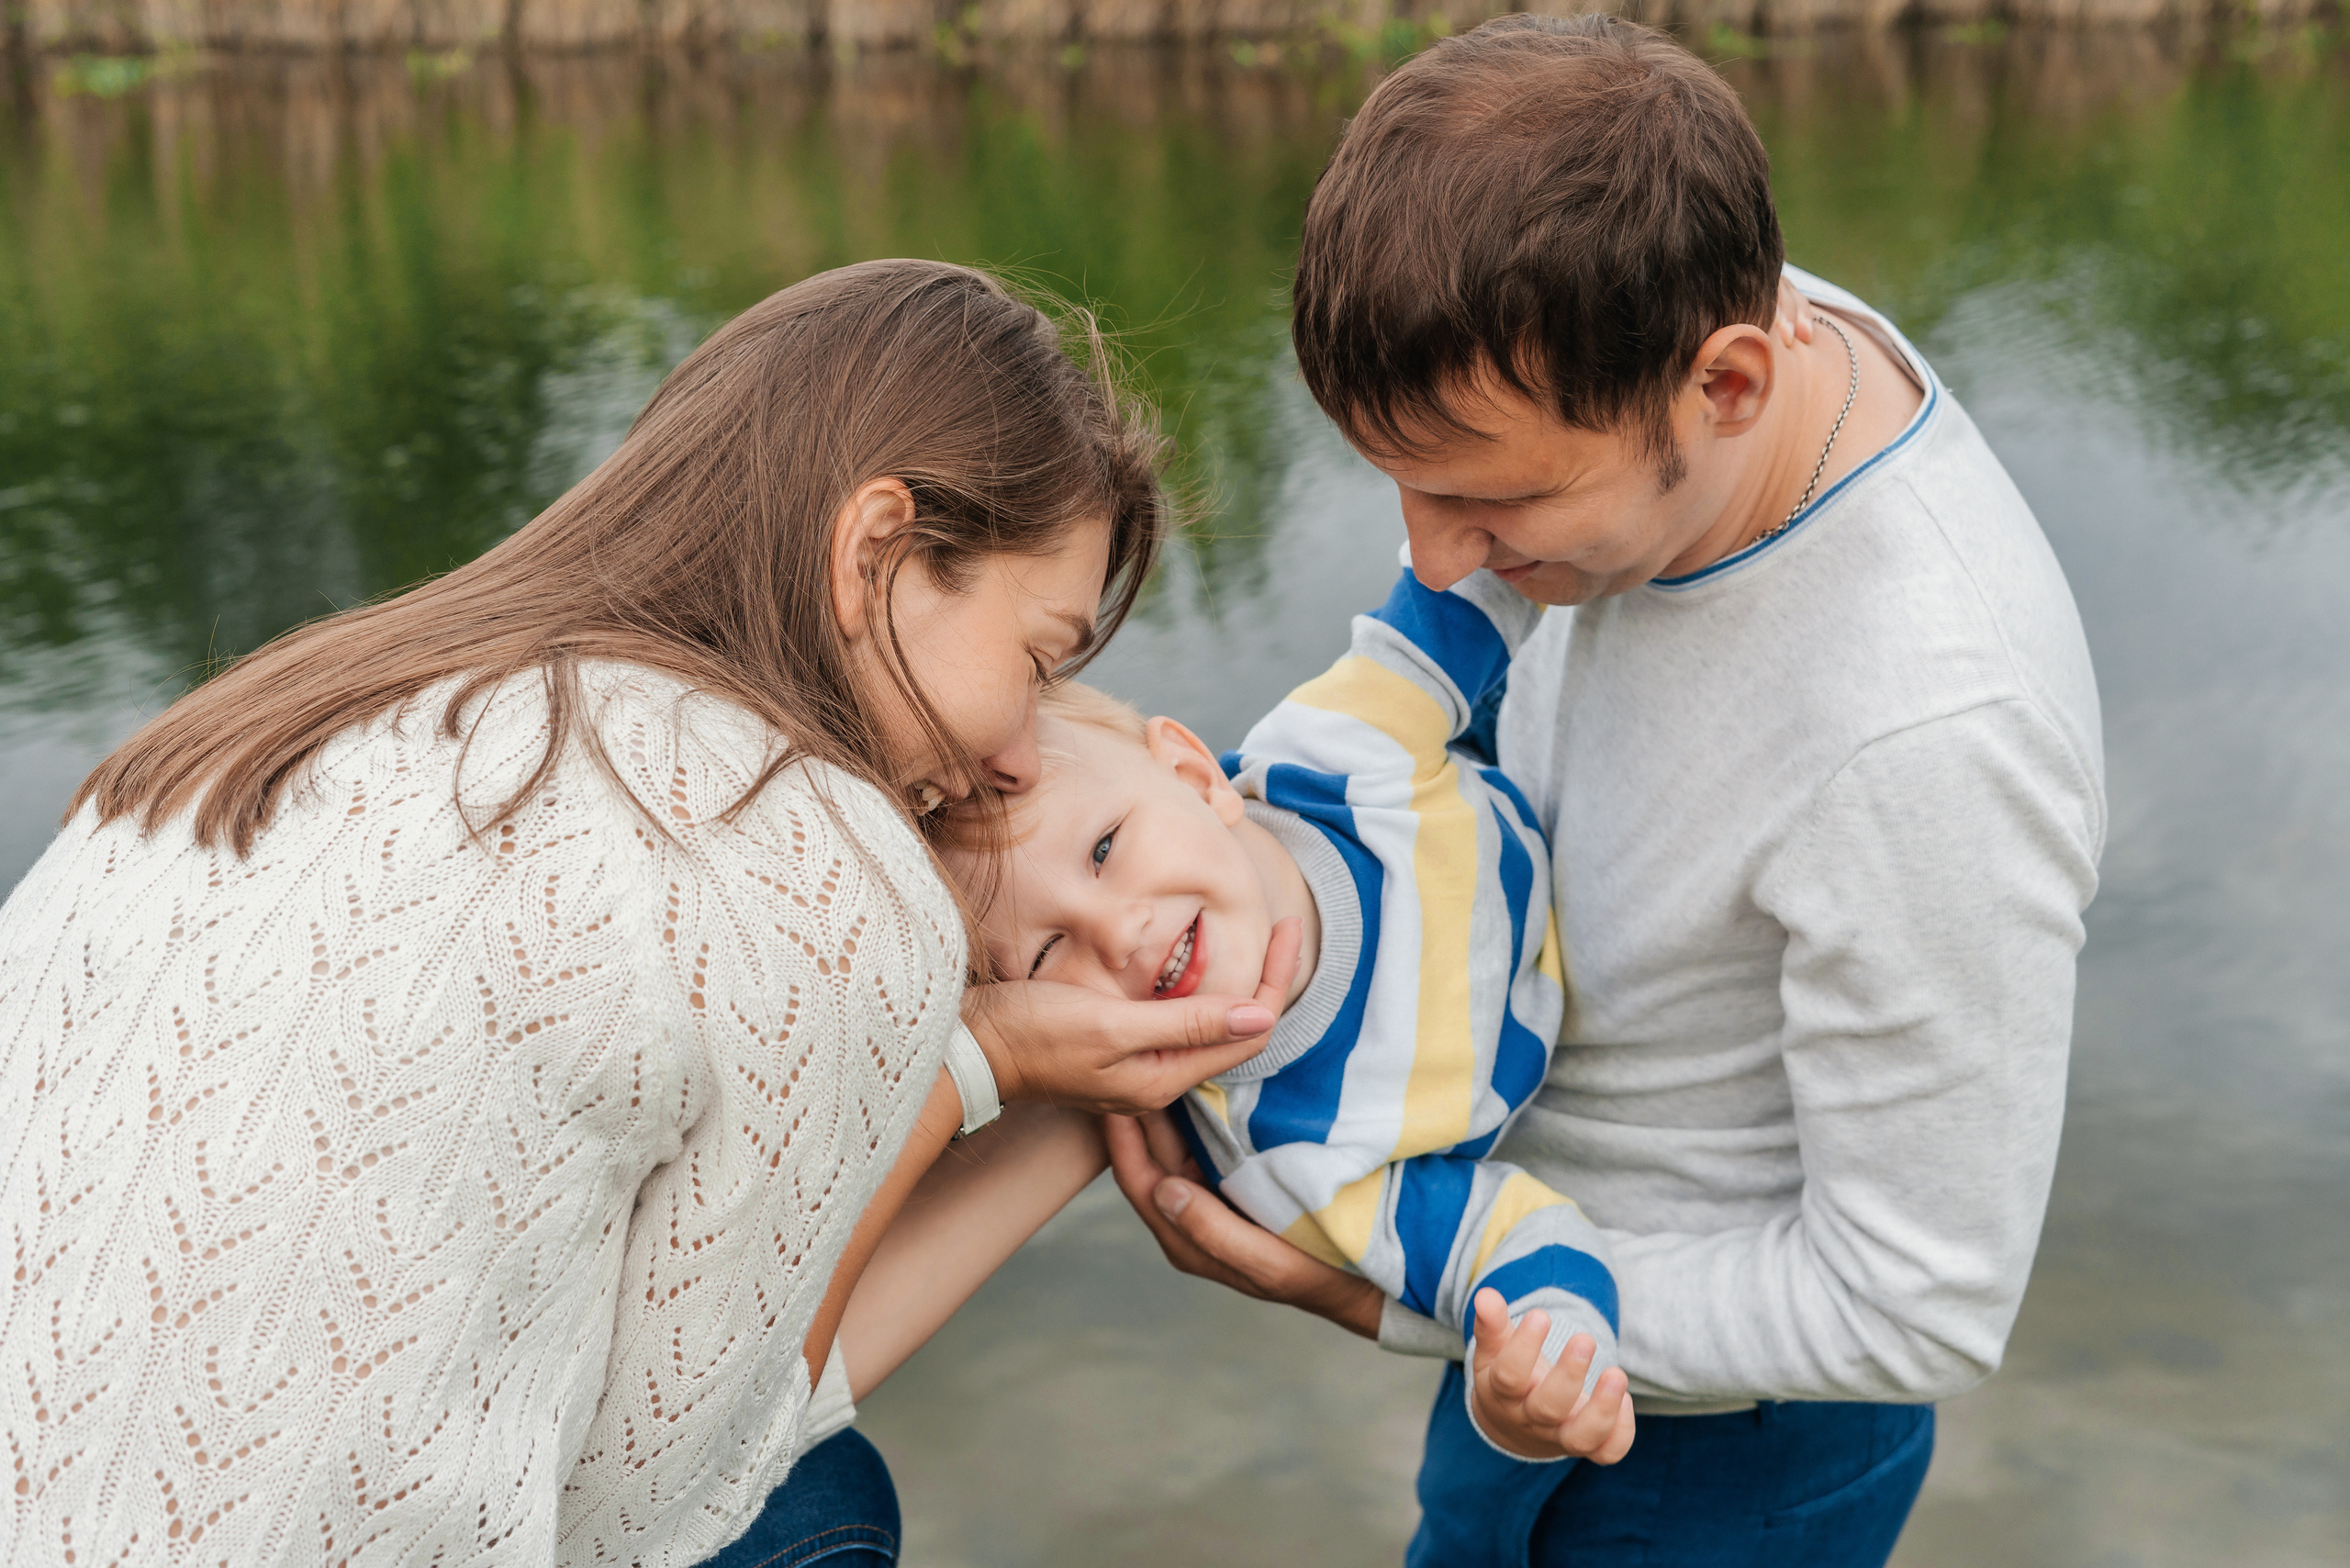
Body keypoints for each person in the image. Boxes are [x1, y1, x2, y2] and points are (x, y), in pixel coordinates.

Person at [0, 259, 1288, 1568]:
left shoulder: (310, 709)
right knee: (820, 1497)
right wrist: (986, 1061)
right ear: (877, 553)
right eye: (1038, 656)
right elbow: (655, 1516)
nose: (1014, 754)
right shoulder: (807, 853)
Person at [1108, 16, 2105, 1567]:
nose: (1429, 553)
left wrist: (1392, 1299)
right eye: (1398, 479)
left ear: (1728, 384)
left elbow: (1917, 1308)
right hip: (1522, 1334)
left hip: (1718, 1458)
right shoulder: (1655, 321)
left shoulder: (1926, 740)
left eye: (1490, 498)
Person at [940, 562, 1643, 1470]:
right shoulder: (1287, 1159)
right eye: (1046, 956)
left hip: (1501, 796)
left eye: (1106, 848)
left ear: (1194, 774)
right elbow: (1508, 1236)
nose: (1119, 933)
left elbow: (1471, 584)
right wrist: (1539, 1378)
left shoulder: (1335, 751)